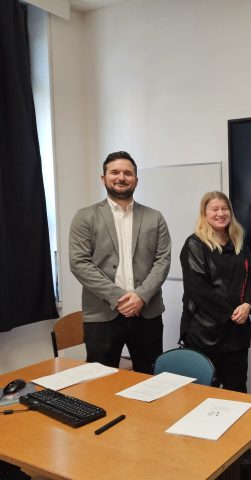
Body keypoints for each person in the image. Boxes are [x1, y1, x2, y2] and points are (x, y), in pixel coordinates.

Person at [69, 151, 171, 374]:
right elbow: (79, 263)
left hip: (147, 313)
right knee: (100, 382)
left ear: (136, 179)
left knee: (150, 380)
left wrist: (140, 297)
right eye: (114, 172)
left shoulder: (155, 217)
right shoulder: (85, 217)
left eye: (128, 173)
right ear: (103, 178)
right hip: (101, 314)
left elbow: (162, 261)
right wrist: (119, 298)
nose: (121, 177)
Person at [179, 191, 251, 394]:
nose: (220, 213)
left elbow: (250, 277)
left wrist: (247, 304)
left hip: (237, 332)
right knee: (204, 392)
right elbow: (197, 289)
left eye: (224, 208)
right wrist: (231, 313)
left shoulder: (239, 242)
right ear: (204, 213)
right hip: (204, 332)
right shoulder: (194, 244)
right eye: (214, 209)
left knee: (237, 389)